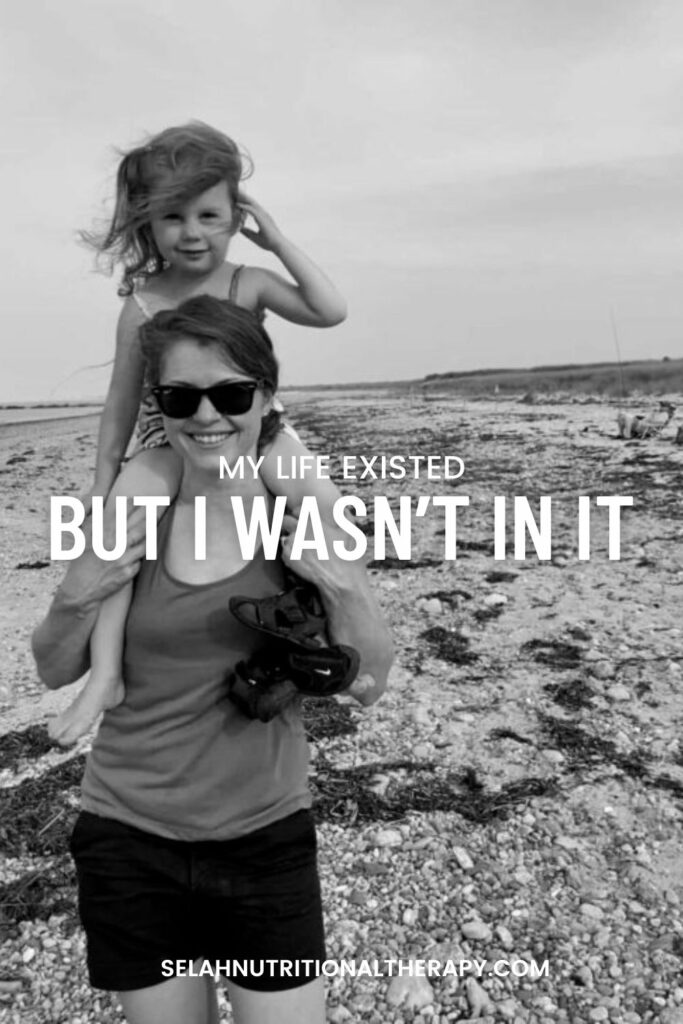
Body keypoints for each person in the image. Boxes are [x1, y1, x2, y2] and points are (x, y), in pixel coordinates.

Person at [32, 297, 394, 1024]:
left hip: (265, 840)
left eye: (231, 394)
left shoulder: (292, 510)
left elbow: (371, 683)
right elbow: (49, 668)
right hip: (128, 838)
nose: (206, 416)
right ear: (158, 405)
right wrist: (78, 591)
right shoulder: (141, 504)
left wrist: (340, 578)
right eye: (180, 397)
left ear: (266, 396)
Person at [49, 121, 347, 745]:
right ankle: (105, 673)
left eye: (210, 215)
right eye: (173, 217)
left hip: (256, 429)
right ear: (146, 224)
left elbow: (329, 310)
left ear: (236, 216)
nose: (192, 232)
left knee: (326, 507)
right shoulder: (143, 302)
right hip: (168, 439)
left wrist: (278, 242)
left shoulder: (248, 282)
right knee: (115, 538)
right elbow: (121, 403)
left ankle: (312, 623)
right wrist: (102, 484)